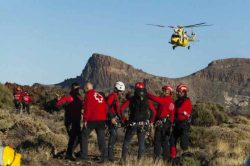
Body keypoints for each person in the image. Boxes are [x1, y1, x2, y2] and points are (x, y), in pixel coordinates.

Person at [120, 82, 156, 164]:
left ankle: (123, 161)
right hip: (143, 124)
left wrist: (124, 120)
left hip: (132, 124)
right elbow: (154, 111)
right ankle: (140, 163)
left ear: (135, 89)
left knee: (126, 142)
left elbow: (121, 109)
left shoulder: (131, 99)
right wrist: (150, 121)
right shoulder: (147, 100)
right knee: (141, 144)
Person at [81, 82, 108, 163]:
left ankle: (84, 156)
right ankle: (104, 158)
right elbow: (105, 107)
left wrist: (85, 120)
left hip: (92, 119)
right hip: (102, 120)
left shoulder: (88, 95)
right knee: (101, 139)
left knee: (84, 135)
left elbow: (87, 108)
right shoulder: (99, 95)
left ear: (86, 88)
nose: (83, 90)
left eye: (84, 88)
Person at [147, 85, 175, 162]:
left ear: (169, 93)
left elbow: (155, 99)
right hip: (167, 124)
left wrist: (146, 94)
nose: (163, 92)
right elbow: (172, 115)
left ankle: (156, 159)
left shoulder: (165, 100)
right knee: (165, 141)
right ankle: (166, 160)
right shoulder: (171, 102)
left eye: (165, 91)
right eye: (163, 91)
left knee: (157, 141)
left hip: (162, 125)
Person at [56, 82, 83, 161]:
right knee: (75, 137)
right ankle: (69, 153)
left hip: (75, 120)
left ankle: (69, 153)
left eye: (78, 88)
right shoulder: (71, 97)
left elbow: (82, 107)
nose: (77, 90)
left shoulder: (78, 97)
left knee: (78, 137)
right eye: (76, 88)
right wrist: (60, 101)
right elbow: (58, 105)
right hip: (71, 120)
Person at [170, 83, 192, 160]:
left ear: (183, 92)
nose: (177, 93)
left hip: (184, 124)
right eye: (177, 92)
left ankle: (185, 159)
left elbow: (179, 110)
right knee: (172, 140)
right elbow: (173, 110)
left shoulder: (187, 101)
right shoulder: (177, 101)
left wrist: (175, 110)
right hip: (176, 124)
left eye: (179, 92)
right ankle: (173, 157)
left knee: (184, 142)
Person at [106, 81, 125, 161]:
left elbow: (117, 110)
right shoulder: (112, 96)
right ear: (118, 89)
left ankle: (109, 155)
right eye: (121, 92)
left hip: (113, 118)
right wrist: (111, 118)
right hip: (110, 119)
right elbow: (107, 106)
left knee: (114, 136)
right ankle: (109, 156)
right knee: (113, 135)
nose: (122, 93)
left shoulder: (115, 96)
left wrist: (122, 119)